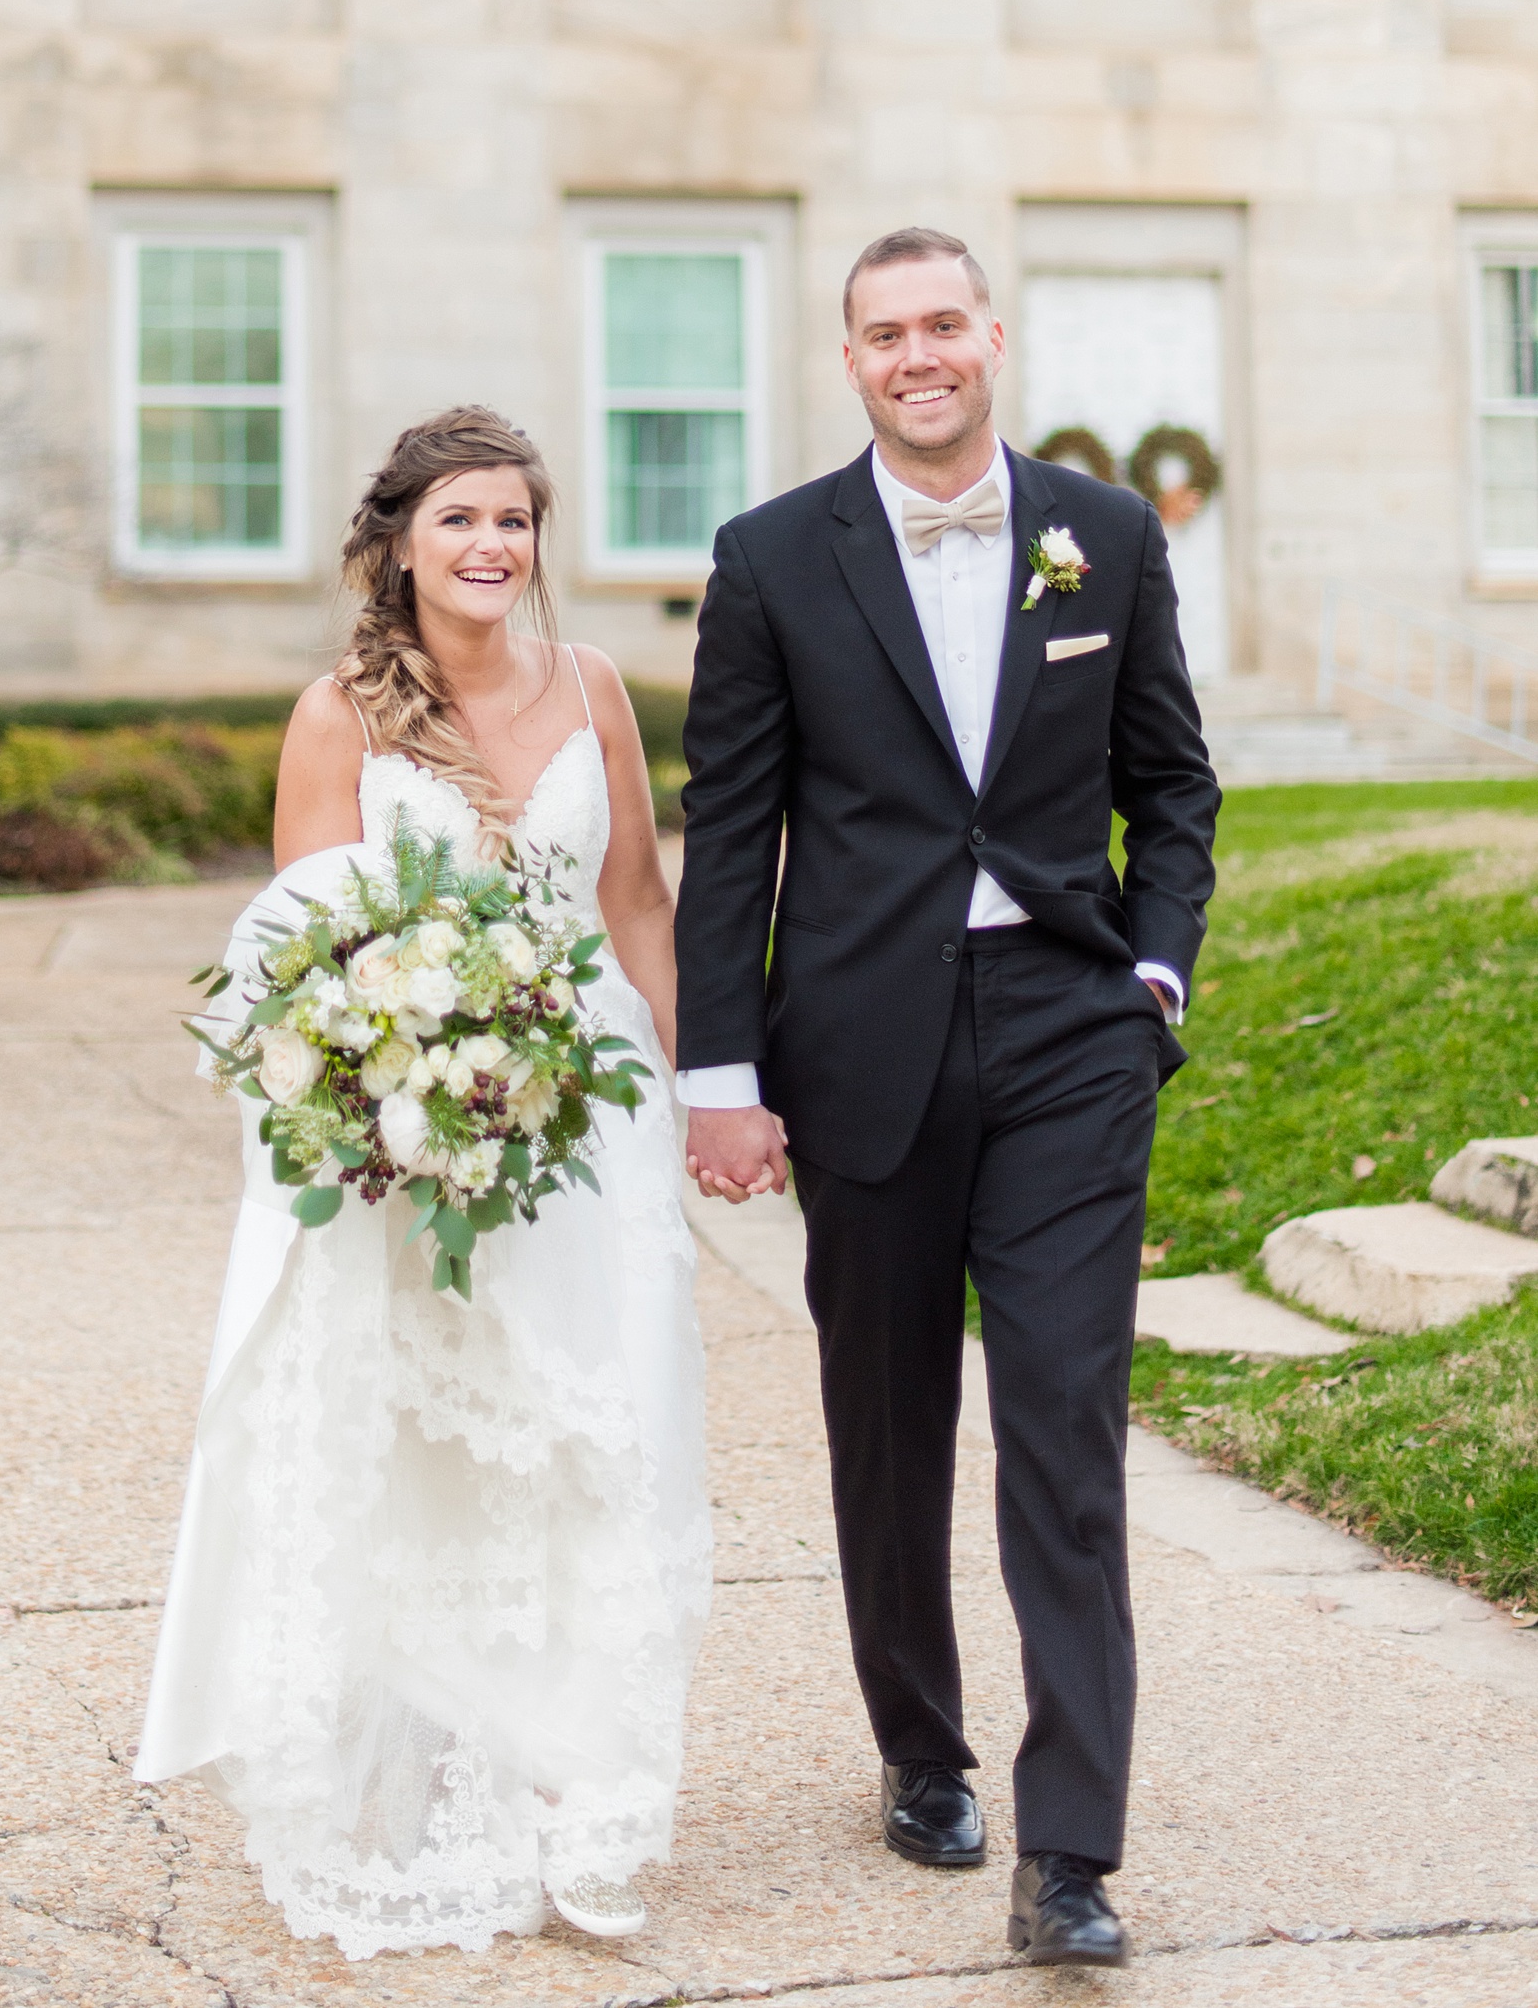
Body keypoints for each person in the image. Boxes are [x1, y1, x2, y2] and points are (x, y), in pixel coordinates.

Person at [674, 230, 1219, 1971]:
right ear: (850, 359)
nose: (918, 355)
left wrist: (1151, 975)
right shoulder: (769, 559)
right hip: (862, 1045)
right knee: (892, 1418)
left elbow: (1174, 783)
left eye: (942, 325)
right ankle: (920, 1745)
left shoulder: (1107, 533)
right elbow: (730, 834)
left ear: (994, 335)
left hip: (1069, 1032)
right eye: (882, 333)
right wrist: (722, 1070)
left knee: (1066, 1432)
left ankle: (1071, 1850)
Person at [134, 405, 710, 1960]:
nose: (490, 546)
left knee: (601, 1432)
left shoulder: (593, 689)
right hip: (420, 1142)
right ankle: (434, 1779)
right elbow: (304, 955)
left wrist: (695, 1087)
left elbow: (640, 901)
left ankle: (582, 1794)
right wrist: (372, 1116)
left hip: (593, 1124)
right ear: (398, 540)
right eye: (458, 518)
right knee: (436, 1447)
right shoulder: (341, 715)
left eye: (513, 519)